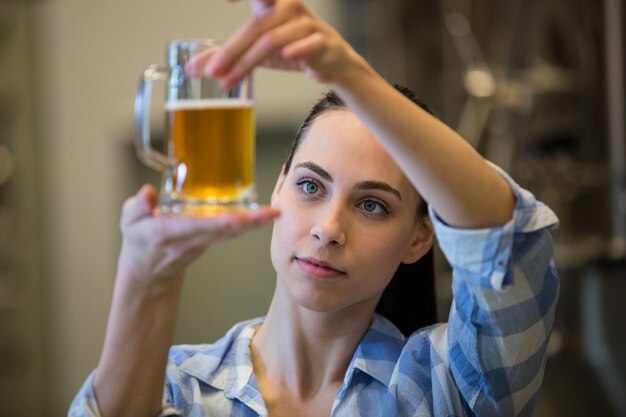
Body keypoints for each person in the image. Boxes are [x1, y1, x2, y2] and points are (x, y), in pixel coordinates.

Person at [69, 0, 559, 416]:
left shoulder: (445, 387)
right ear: (279, 186)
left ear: (419, 237)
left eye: (372, 205)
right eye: (310, 186)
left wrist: (347, 72)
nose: (328, 229)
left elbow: (505, 242)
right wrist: (143, 278)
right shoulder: (176, 387)